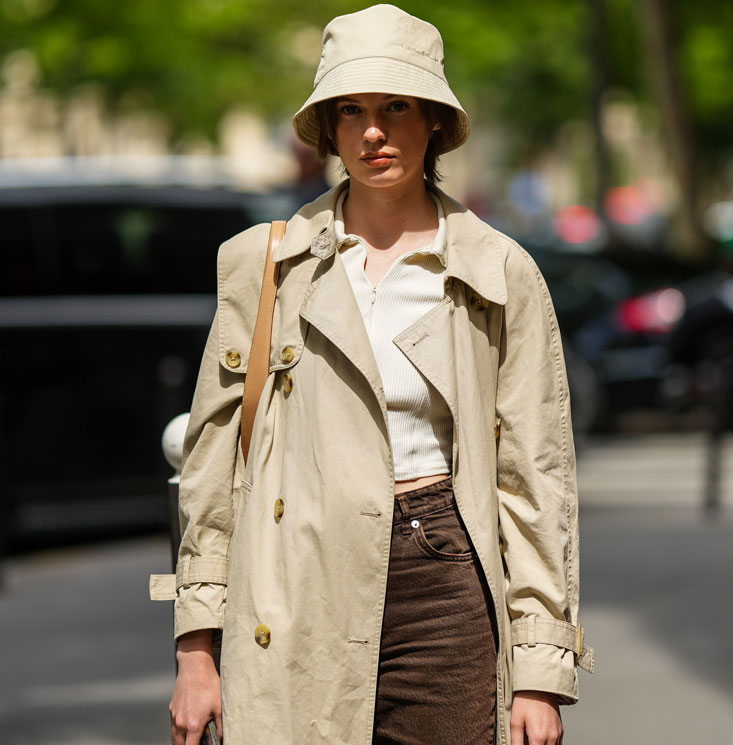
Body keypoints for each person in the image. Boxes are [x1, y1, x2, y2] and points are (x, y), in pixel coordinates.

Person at [157, 5, 594, 745]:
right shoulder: (262, 266)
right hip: (293, 581)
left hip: (444, 578)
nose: (372, 131)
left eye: (396, 106)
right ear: (326, 127)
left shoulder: (497, 272)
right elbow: (210, 472)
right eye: (350, 109)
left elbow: (534, 478)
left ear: (433, 121)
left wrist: (539, 670)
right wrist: (196, 652)